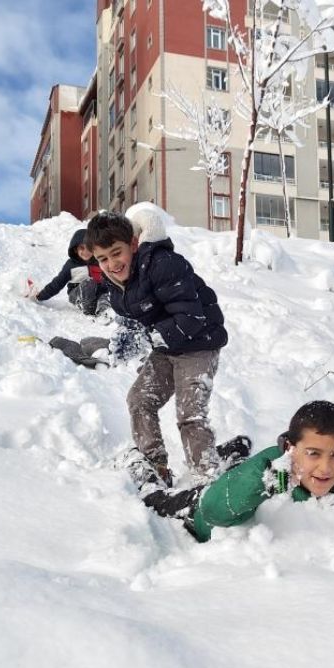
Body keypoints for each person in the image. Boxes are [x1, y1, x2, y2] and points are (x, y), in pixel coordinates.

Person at [143, 401, 334, 551]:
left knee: (234, 468)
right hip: (200, 509)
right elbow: (214, 511)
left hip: (233, 481)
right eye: (313, 453)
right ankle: (138, 466)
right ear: (290, 448)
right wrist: (261, 483)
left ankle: (235, 451)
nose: (325, 468)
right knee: (156, 499)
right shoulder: (268, 469)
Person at [84, 208, 228, 487]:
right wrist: (129, 337)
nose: (112, 263)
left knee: (189, 413)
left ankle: (207, 475)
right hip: (166, 346)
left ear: (134, 245)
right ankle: (155, 464)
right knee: (139, 400)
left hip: (199, 344)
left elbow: (192, 318)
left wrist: (148, 339)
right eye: (103, 258)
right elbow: (139, 315)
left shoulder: (163, 264)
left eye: (117, 252)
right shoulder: (116, 285)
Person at [31, 228, 106, 315]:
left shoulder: (99, 262)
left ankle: (104, 311)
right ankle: (88, 309)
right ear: (75, 249)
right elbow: (57, 283)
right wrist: (40, 296)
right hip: (77, 293)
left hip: (96, 294)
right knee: (88, 283)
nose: (86, 252)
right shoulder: (71, 265)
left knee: (105, 287)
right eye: (82, 248)